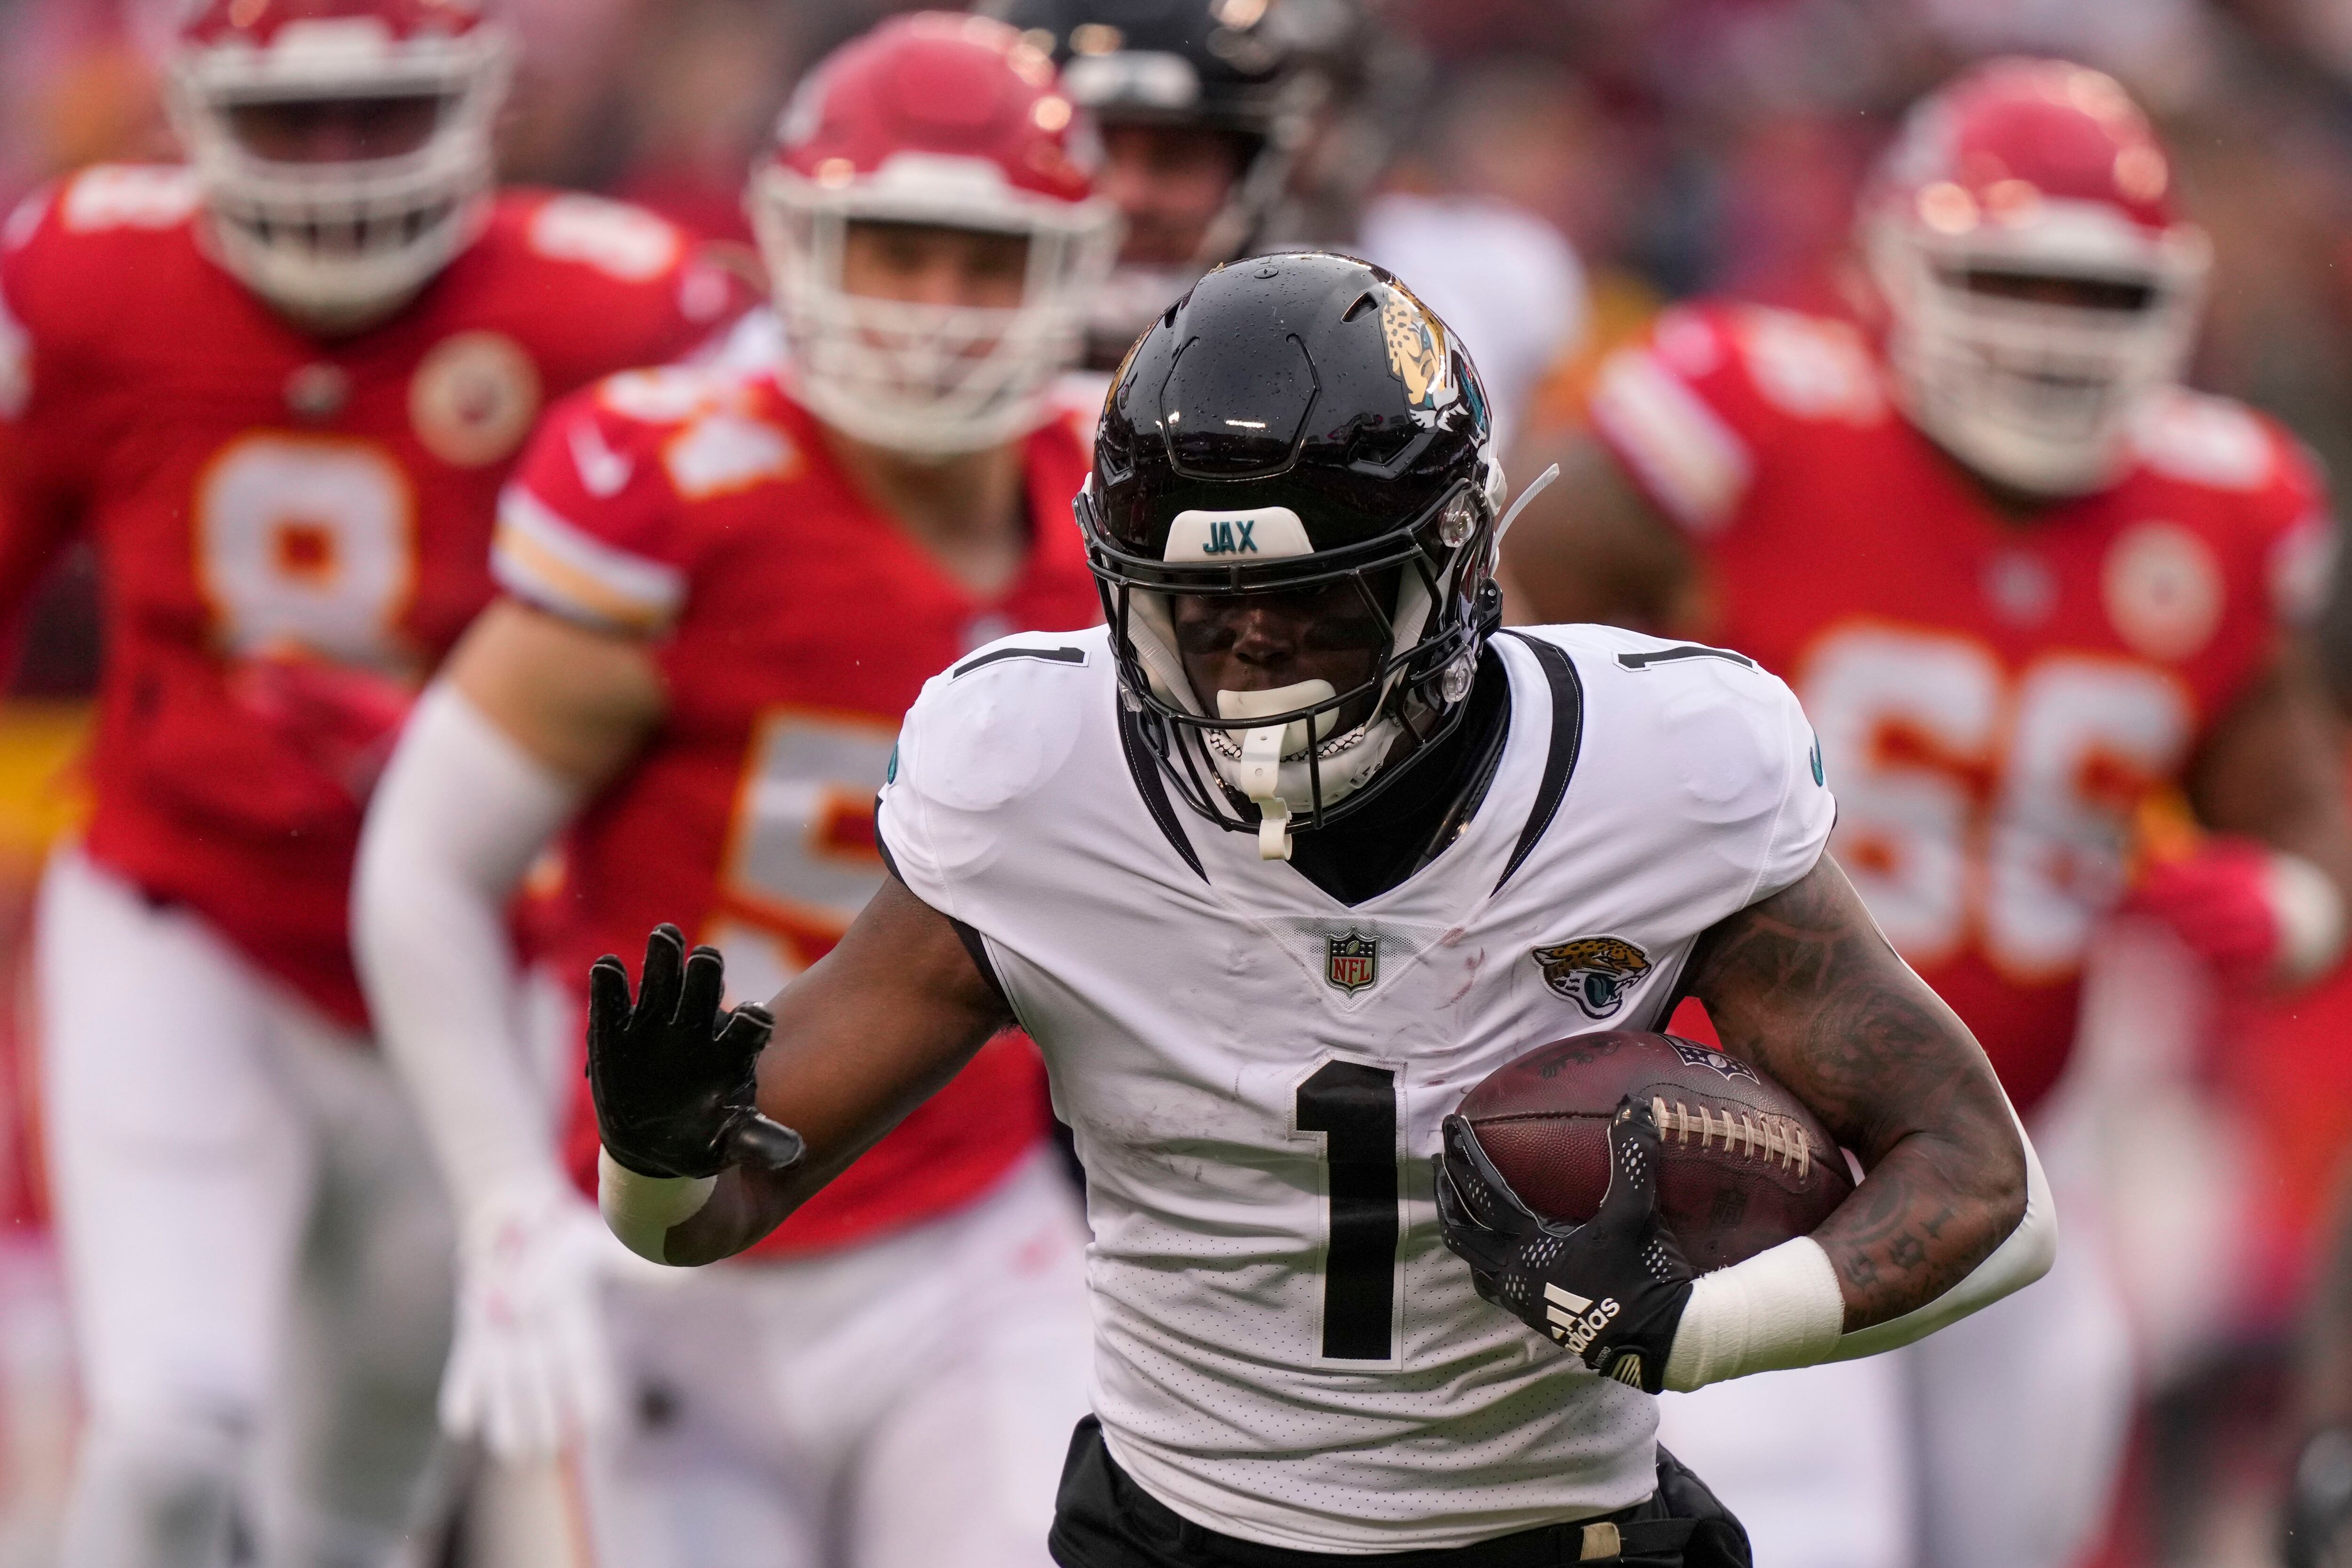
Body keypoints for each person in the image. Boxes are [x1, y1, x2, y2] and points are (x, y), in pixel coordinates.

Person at [568, 248, 2054, 1568]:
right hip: (1173, 1532)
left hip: (1552, 1532)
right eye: (1202, 611)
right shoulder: (1031, 776)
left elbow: (1982, 1184)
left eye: (1317, 600)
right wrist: (647, 1155)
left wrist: (1701, 1326)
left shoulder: (1657, 773)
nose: (1255, 655)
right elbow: (714, 1207)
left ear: (1456, 563)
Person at [1500, 56, 2352, 1568]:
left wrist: (2290, 902)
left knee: (2016, 1524)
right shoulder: (1748, 417)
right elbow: (1506, 649)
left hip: (2025, 1140)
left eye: (2092, 298)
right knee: (1806, 1523)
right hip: (1748, 1111)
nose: (2047, 332)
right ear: (1902, 264)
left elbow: (2291, 807)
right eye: (2009, 280)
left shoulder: (2222, 503)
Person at [351, 14, 1117, 1566]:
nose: (937, 313)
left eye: (983, 260)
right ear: (796, 245)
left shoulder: (1122, 513)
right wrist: (506, 1206)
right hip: (658, 1257)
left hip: (963, 1236)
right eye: (895, 253)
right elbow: (424, 867)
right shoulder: (687, 498)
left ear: (1069, 265)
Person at [0, 0, 746, 1561]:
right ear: (194, 111)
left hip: (477, 970)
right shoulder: (81, 282)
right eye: (295, 123)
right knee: (169, 1435)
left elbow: (739, 653)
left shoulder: (620, 313)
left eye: (379, 116)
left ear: (478, 104)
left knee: (359, 1513)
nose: (337, 167)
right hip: (182, 914)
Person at [983, 0, 1585, 451]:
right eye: (1091, 150)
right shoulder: (935, 318)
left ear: (1255, 175)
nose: (1130, 195)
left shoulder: (1344, 335)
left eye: (1175, 157)